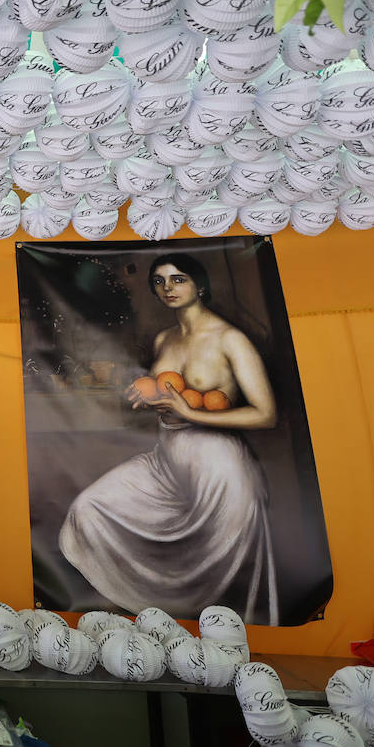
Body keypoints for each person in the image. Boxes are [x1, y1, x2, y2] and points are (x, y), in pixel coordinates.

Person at [57, 253, 281, 625]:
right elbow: (168, 397)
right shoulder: (165, 338)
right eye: (160, 281)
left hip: (217, 467)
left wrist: (191, 413)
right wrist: (148, 399)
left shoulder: (230, 339)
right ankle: (151, 617)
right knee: (89, 508)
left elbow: (266, 413)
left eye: (178, 279)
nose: (168, 288)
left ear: (200, 285)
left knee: (220, 569)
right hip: (167, 459)